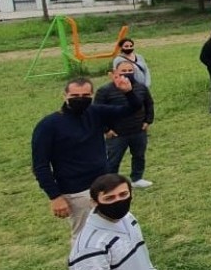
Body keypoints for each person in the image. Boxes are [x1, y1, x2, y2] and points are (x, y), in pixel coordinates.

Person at [33, 76, 141, 240]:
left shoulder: (95, 113)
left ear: (92, 95)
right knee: (85, 236)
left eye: (85, 96)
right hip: (76, 191)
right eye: (75, 96)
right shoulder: (48, 126)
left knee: (117, 227)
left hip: (104, 185)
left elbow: (131, 109)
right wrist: (55, 196)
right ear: (65, 95)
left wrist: (128, 92)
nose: (80, 100)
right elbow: (40, 165)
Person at [95, 61, 155, 188]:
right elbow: (97, 112)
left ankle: (137, 178)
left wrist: (148, 121)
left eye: (130, 71)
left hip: (138, 130)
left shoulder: (141, 87)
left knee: (139, 155)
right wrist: (106, 130)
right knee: (113, 160)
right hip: (117, 133)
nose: (127, 74)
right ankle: (110, 183)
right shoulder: (104, 91)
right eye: (123, 71)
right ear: (115, 72)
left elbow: (149, 104)